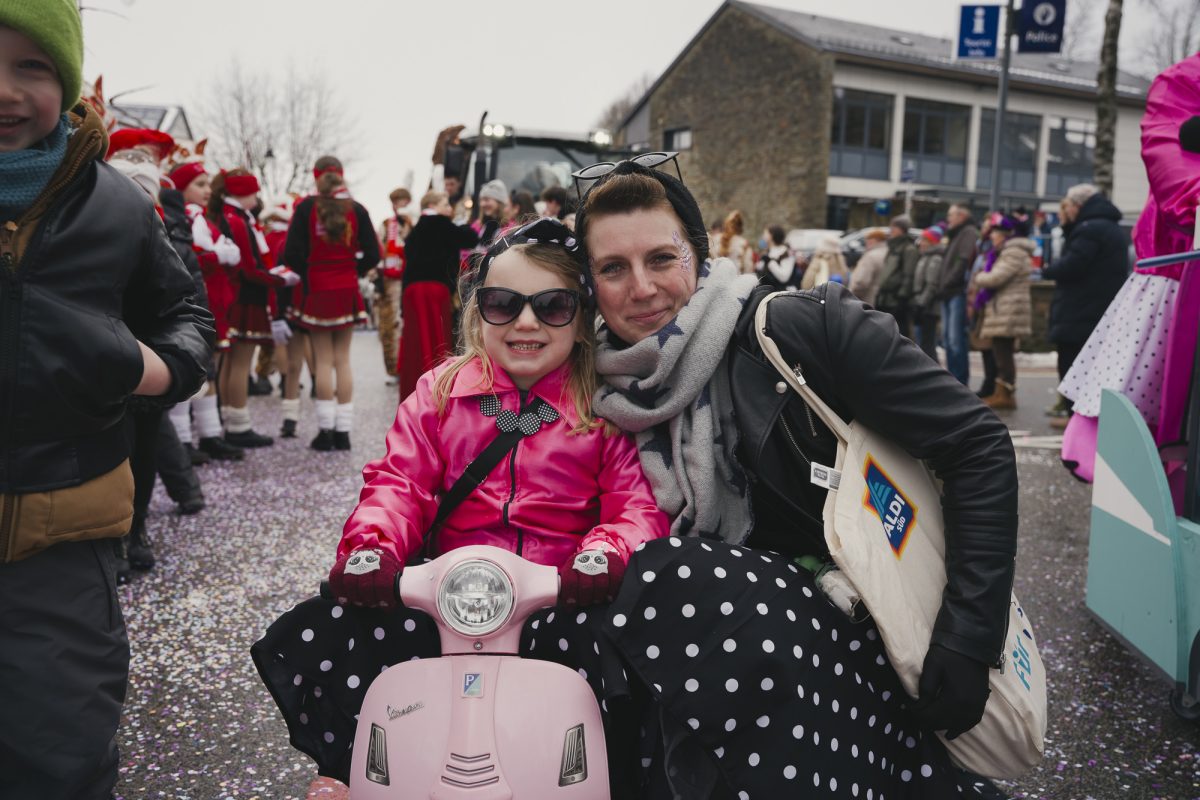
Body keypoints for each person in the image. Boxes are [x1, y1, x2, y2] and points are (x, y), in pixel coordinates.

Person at [572, 157, 1016, 798]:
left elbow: (977, 445)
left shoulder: (798, 327)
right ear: (590, 284)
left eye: (661, 260)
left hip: (847, 641)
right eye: (614, 268)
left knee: (679, 572)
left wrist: (971, 638)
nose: (641, 288)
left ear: (698, 256)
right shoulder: (585, 379)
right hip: (701, 668)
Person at [252, 218, 669, 790]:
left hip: (557, 596)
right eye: (503, 303)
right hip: (447, 597)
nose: (526, 322)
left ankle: (612, 777)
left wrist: (604, 552)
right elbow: (400, 482)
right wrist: (373, 547)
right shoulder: (441, 393)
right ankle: (351, 765)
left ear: (581, 317)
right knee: (349, 628)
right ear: (478, 312)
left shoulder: (600, 408)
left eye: (552, 306)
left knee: (616, 658)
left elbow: (634, 504)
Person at [0, 5, 213, 797]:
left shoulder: (118, 207)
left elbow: (189, 319)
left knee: (60, 762)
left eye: (32, 66)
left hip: (61, 550)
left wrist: (142, 369)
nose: (6, 92)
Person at [1058, 52, 1200, 493]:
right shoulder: (1185, 87)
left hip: (1152, 293)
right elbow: (1179, 181)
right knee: (1145, 428)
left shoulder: (1090, 229)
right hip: (1168, 290)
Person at [285, 162, 379, 450]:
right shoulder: (357, 209)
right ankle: (344, 432)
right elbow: (374, 253)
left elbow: (291, 253)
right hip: (347, 286)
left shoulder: (305, 208)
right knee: (343, 360)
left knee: (323, 361)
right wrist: (354, 268)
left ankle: (325, 432)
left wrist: (310, 269)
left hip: (317, 288)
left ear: (317, 178)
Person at [167, 161, 246, 461]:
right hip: (193, 303)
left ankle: (210, 434)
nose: (207, 190)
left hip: (212, 303)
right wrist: (216, 254)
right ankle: (183, 441)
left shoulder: (202, 218)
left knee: (208, 370)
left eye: (207, 184)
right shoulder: (181, 219)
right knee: (191, 367)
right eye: (199, 184)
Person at [210, 168, 288, 447]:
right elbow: (248, 268)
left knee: (231, 363)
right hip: (245, 297)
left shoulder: (232, 217)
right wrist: (279, 279)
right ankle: (238, 426)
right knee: (240, 363)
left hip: (235, 295)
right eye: (253, 190)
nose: (257, 195)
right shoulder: (239, 221)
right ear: (244, 192)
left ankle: (227, 420)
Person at [1041, 185, 1127, 423]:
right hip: (1095, 309)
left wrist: (1048, 270)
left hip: (1080, 311)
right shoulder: (1106, 226)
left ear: (1077, 206)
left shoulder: (1089, 229)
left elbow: (1073, 265)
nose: (1064, 211)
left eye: (1067, 206)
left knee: (1072, 370)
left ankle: (1078, 426)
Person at [396, 190, 479, 398]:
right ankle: (436, 388)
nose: (449, 208)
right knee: (437, 338)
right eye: (445, 203)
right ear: (434, 205)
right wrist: (463, 223)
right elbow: (471, 238)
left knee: (415, 341)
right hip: (435, 289)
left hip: (412, 291)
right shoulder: (442, 224)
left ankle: (412, 390)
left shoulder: (414, 231)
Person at [969, 214, 1034, 410]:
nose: (992, 237)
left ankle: (1005, 394)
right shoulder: (1006, 251)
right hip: (1003, 307)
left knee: (1003, 353)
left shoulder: (1013, 252)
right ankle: (1000, 392)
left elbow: (996, 277)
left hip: (1009, 308)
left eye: (995, 234)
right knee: (999, 350)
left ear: (1005, 235)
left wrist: (979, 277)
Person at [936, 203, 979, 386]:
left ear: (961, 215)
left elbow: (961, 262)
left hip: (956, 292)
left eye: (951, 215)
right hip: (948, 292)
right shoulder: (956, 233)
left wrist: (947, 283)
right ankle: (953, 380)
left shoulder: (968, 232)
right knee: (947, 339)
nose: (948, 219)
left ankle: (960, 382)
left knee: (955, 340)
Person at [376, 187, 414, 386]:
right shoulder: (385, 225)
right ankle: (393, 368)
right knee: (390, 326)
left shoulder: (413, 223)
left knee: (406, 324)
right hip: (390, 283)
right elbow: (379, 250)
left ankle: (407, 366)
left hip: (408, 280)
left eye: (401, 201)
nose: (398, 205)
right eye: (395, 202)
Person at [876, 214, 919, 336]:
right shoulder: (892, 247)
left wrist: (902, 297)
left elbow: (909, 275)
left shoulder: (909, 249)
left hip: (896, 300)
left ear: (901, 230)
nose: (890, 231)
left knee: (899, 332)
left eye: (893, 228)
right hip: (885, 299)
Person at [911, 224, 947, 359]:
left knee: (927, 343)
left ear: (932, 242)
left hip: (929, 307)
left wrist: (921, 304)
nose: (921, 243)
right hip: (923, 305)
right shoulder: (925, 256)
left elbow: (931, 284)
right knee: (921, 341)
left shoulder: (935, 258)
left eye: (924, 240)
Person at [847, 227, 888, 305]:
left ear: (873, 240)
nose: (866, 243)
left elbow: (861, 282)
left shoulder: (870, 256)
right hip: (881, 299)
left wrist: (851, 295)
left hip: (867, 300)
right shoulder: (888, 253)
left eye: (868, 240)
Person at [755, 223, 801, 290]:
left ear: (771, 235)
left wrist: (770, 263)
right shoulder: (768, 252)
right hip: (769, 293)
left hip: (785, 294)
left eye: (765, 233)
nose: (763, 236)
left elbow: (784, 278)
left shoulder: (786, 252)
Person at [713, 209, 754, 273]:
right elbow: (748, 268)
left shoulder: (716, 239)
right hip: (737, 280)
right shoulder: (744, 244)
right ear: (740, 227)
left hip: (718, 278)